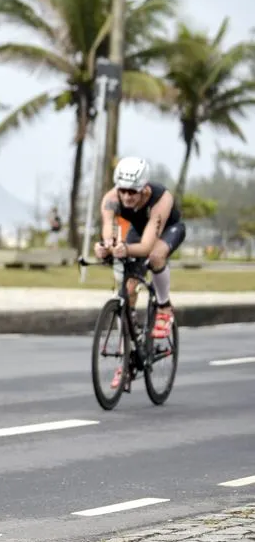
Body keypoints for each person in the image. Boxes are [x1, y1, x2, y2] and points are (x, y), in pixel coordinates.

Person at [94, 156, 186, 384]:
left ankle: (164, 306)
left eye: (132, 192)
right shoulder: (111, 199)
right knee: (128, 288)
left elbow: (145, 247)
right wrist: (105, 246)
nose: (126, 197)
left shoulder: (160, 199)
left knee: (155, 256)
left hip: (168, 231)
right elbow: (108, 229)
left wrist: (123, 249)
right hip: (139, 231)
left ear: (143, 189)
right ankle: (126, 359)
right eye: (122, 190)